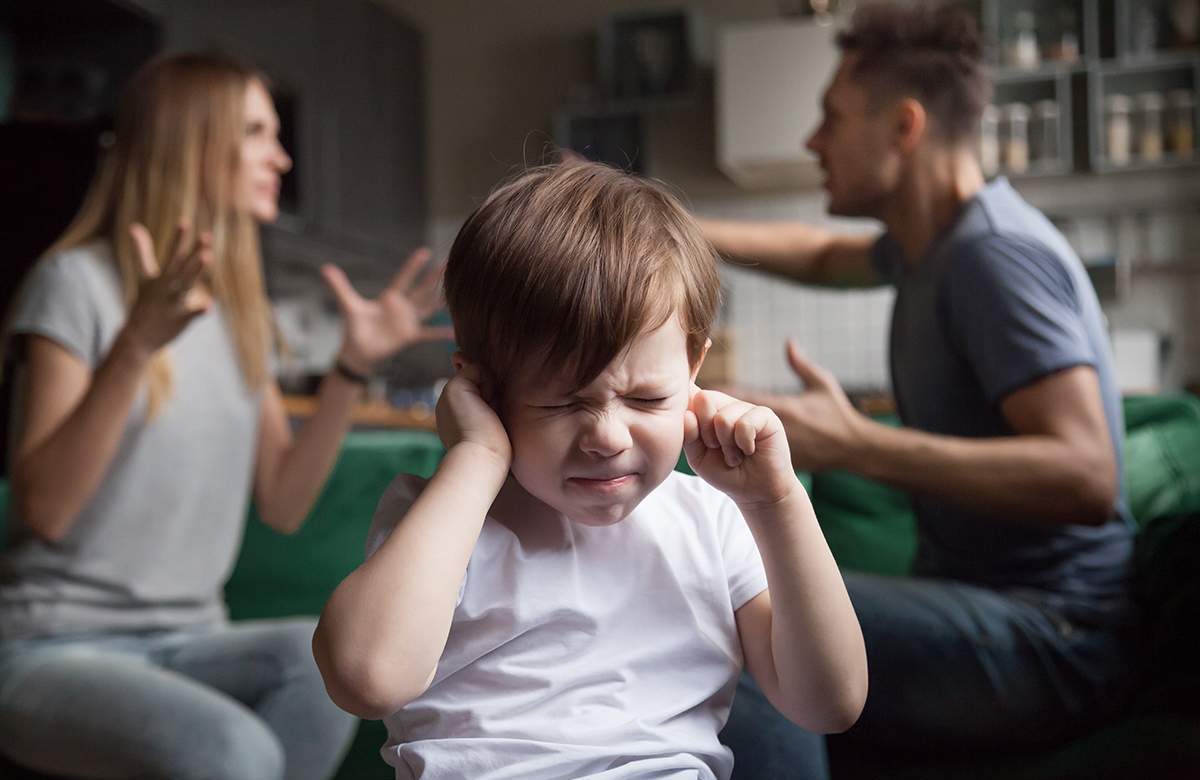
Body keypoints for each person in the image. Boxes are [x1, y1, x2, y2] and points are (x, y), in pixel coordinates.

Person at [311, 160, 868, 780]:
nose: (606, 437)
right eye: (561, 402)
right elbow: (365, 678)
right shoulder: (445, 520)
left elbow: (831, 702)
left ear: (694, 368)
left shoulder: (713, 521)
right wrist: (478, 458)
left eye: (648, 399)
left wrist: (777, 503)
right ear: (483, 390)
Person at [698, 0, 1138, 767]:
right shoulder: (928, 245)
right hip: (1008, 617)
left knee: (747, 625)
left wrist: (857, 445)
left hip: (1055, 638)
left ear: (905, 127)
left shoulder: (990, 256)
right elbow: (816, 252)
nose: (813, 141)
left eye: (831, 119)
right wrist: (669, 223)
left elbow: (1088, 475)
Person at [0, 53, 451, 780]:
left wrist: (349, 368)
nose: (281, 155)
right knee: (233, 752)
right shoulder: (74, 283)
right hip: (49, 646)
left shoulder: (240, 311)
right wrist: (135, 345)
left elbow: (283, 500)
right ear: (191, 143)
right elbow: (45, 509)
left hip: (190, 639)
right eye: (255, 132)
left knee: (324, 668)